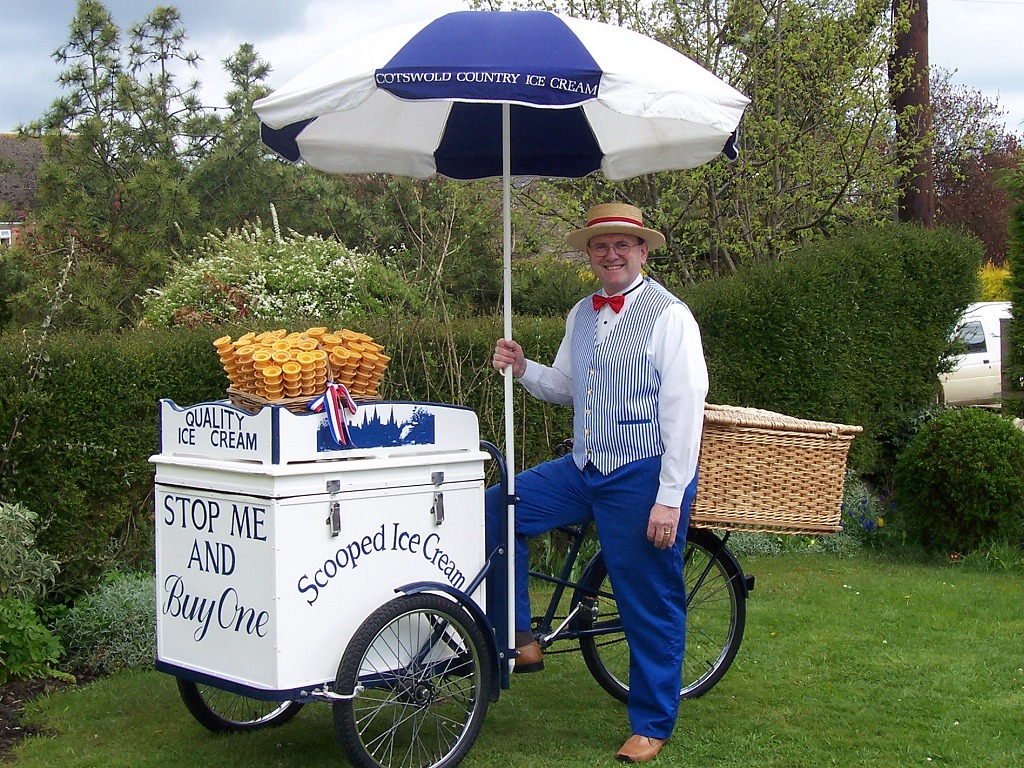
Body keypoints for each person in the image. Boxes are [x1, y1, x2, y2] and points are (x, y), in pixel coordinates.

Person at [486, 202, 709, 763]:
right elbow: (566, 386)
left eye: (622, 245)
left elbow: (686, 410)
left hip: (644, 472)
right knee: (499, 507)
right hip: (585, 465)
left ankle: (652, 722)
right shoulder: (581, 313)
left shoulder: (670, 315)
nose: (611, 254)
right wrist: (523, 367)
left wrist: (669, 499)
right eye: (600, 245)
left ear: (642, 251)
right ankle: (521, 637)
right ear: (589, 254)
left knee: (647, 599)